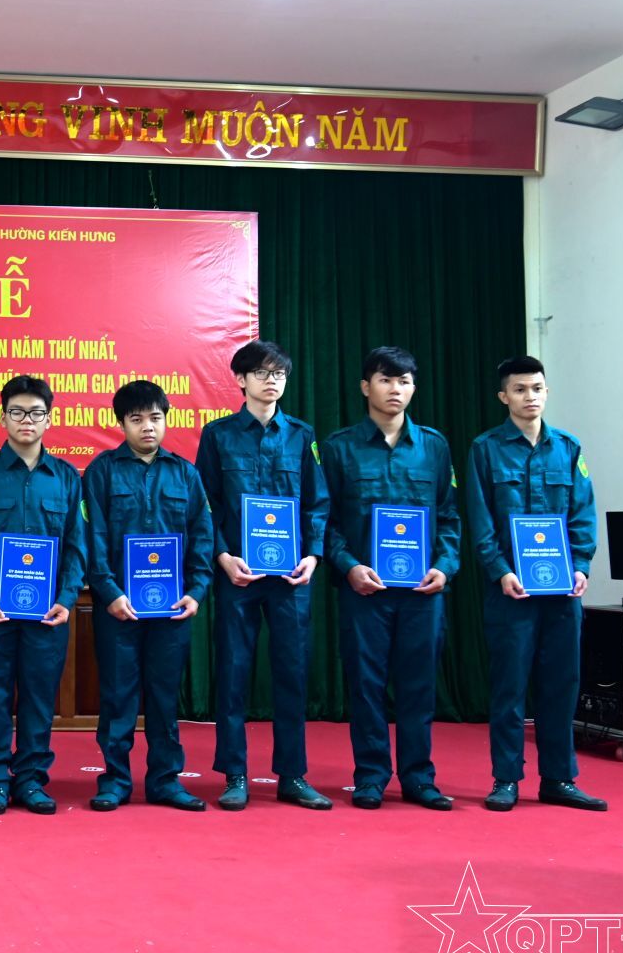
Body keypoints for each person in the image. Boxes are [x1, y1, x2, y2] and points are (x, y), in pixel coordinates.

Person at [320, 347, 461, 811]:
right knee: (366, 685)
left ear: (414, 388)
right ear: (366, 387)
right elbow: (325, 521)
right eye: (385, 380)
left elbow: (449, 517)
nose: (395, 389)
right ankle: (371, 776)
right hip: (365, 591)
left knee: (419, 686)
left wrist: (445, 565)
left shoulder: (434, 447)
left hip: (422, 592)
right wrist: (349, 566)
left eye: (404, 381)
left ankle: (419, 778)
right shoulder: (339, 447)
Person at [194, 340, 332, 811]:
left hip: (290, 579)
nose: (272, 381)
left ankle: (292, 775)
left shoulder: (302, 435)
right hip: (238, 576)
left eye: (279, 374)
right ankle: (234, 774)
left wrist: (313, 555)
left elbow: (317, 502)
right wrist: (222, 555)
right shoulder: (218, 435)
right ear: (241, 380)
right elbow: (206, 504)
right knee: (233, 672)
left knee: (292, 673)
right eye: (262, 373)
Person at [467, 356, 605, 812]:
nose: (531, 397)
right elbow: (481, 521)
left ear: (547, 392)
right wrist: (500, 571)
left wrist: (581, 566)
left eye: (537, 388)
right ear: (503, 396)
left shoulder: (568, 447)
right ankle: (506, 778)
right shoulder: (486, 449)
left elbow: (583, 513)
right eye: (520, 389)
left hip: (562, 593)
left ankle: (559, 779)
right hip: (511, 592)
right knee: (509, 687)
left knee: (561, 685)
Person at [83, 380, 215, 813]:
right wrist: (109, 592)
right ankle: (115, 780)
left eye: (155, 418)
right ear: (121, 424)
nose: (147, 427)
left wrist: (196, 591)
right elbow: (93, 537)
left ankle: (164, 780)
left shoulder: (185, 473)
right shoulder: (102, 471)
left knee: (163, 696)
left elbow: (202, 536)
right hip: (117, 608)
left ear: (165, 420)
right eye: (136, 419)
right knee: (118, 696)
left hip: (171, 609)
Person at [0, 376, 85, 816]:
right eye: (17, 412)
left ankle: (30, 779)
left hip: (48, 612)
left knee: (39, 695)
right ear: (3, 417)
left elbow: (77, 545)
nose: (26, 420)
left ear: (49, 419)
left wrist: (67, 597)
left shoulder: (66, 477)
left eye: (35, 412)